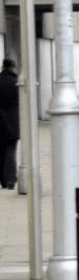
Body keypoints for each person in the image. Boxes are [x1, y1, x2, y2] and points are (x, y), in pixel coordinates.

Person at [0, 59, 19, 189]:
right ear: (13, 67)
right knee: (11, 152)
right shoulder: (16, 82)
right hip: (13, 123)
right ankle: (11, 180)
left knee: (1, 152)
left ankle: (3, 181)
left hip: (0, 122)